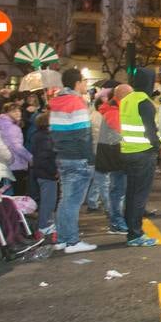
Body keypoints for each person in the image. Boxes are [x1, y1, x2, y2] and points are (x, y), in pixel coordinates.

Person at [49, 68, 96, 253]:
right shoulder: (76, 102)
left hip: (62, 156)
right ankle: (72, 242)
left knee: (65, 200)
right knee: (73, 202)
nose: (86, 85)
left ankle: (62, 238)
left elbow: (54, 132)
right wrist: (89, 159)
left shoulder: (57, 102)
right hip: (77, 158)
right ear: (77, 83)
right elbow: (83, 134)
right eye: (84, 81)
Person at [119, 69, 161, 247]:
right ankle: (135, 234)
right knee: (139, 196)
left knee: (131, 193)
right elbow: (150, 130)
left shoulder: (127, 100)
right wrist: (158, 145)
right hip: (144, 153)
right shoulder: (145, 102)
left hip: (128, 151)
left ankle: (131, 229)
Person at [97, 86, 129, 234]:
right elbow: (120, 133)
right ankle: (116, 222)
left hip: (115, 154)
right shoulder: (114, 111)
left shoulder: (112, 108)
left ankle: (117, 220)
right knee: (118, 190)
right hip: (116, 155)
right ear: (123, 95)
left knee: (117, 189)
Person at [28, 111, 59, 243]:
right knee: (48, 202)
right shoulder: (45, 138)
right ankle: (44, 228)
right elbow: (45, 158)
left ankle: (45, 227)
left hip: (42, 173)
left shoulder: (39, 136)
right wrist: (54, 171)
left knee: (48, 201)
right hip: (47, 174)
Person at [0, 100, 32, 190]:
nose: (18, 113)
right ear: (6, 113)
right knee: (18, 194)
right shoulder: (12, 127)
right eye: (14, 111)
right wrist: (30, 158)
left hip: (2, 163)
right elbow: (17, 146)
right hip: (15, 163)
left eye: (19, 110)